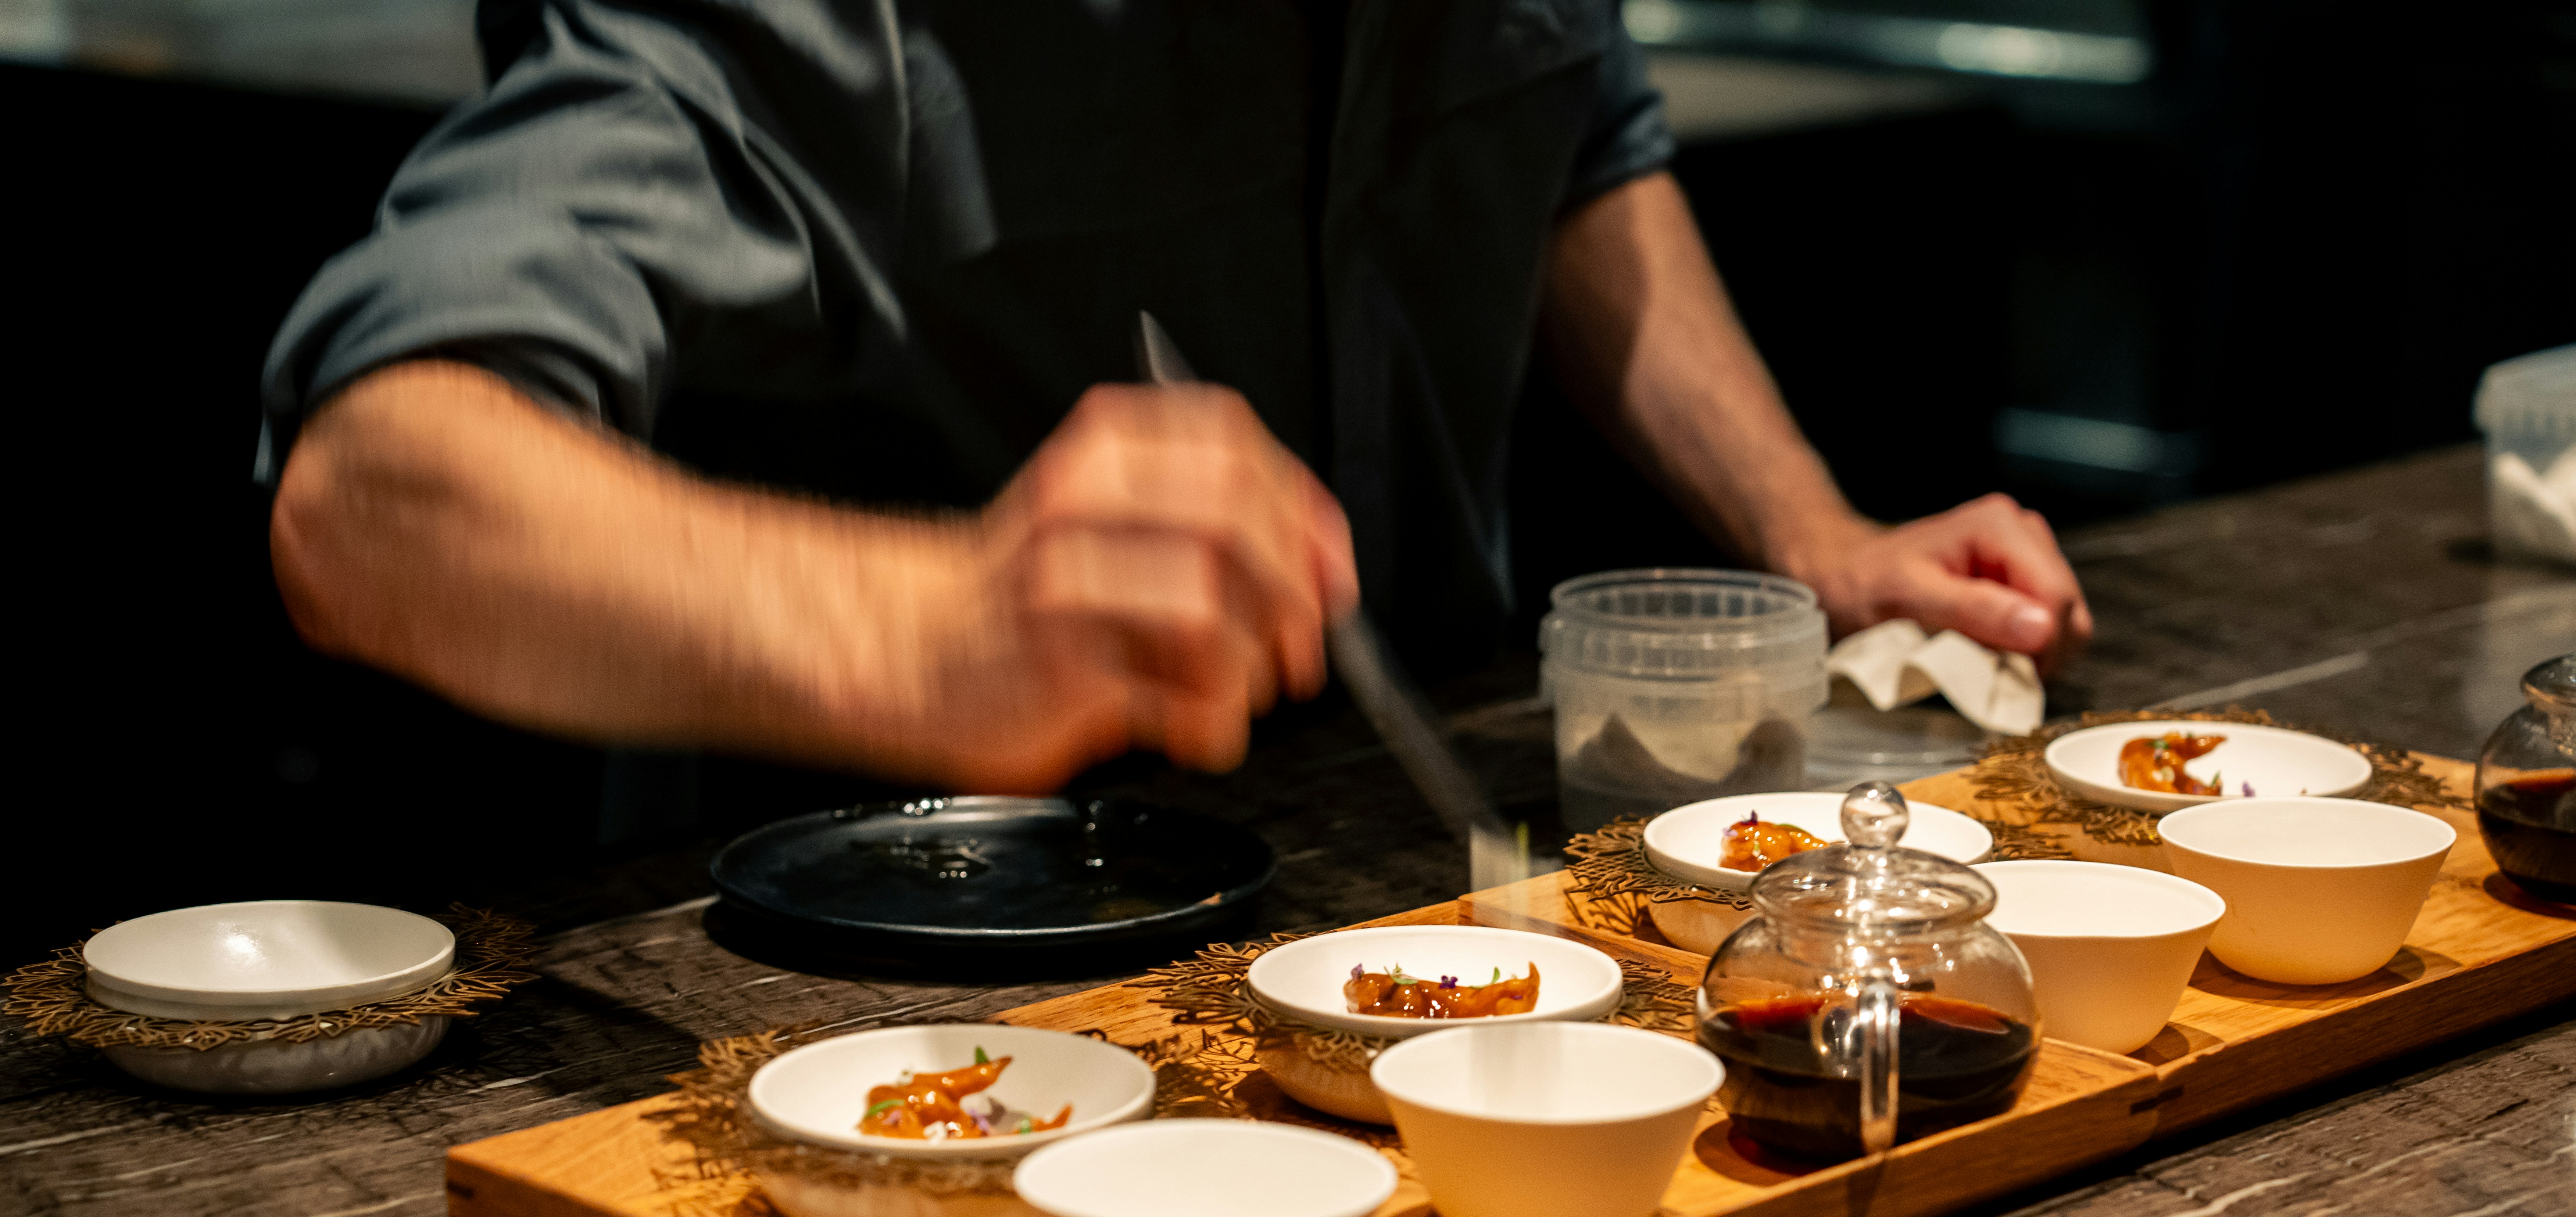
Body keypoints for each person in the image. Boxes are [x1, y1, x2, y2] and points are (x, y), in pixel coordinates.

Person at [261, 1, 2089, 797]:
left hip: (1422, 899)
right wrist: (933, 626)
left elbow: (1576, 141)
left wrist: (1810, 533)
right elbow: (374, 496)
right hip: (914, 1004)